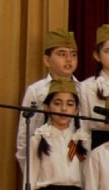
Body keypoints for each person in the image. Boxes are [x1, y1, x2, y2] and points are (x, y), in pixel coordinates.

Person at [16, 29, 80, 172]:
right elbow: (25, 135)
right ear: (47, 60)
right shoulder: (36, 91)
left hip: (76, 162)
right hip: (45, 161)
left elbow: (85, 128)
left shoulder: (83, 90)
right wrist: (30, 172)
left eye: (73, 54)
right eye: (62, 54)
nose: (69, 59)